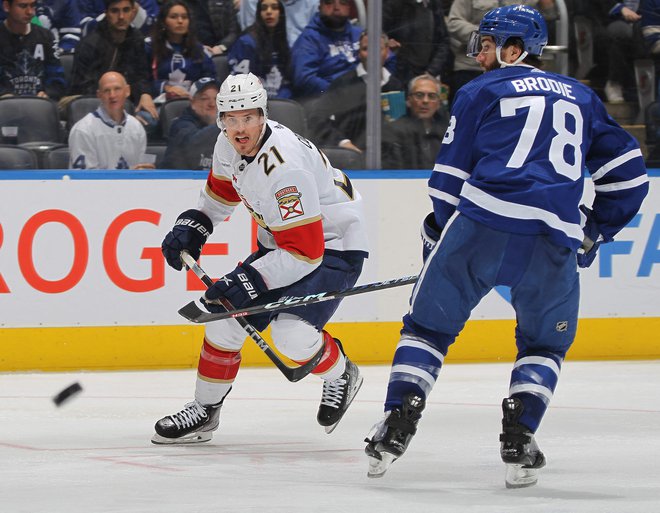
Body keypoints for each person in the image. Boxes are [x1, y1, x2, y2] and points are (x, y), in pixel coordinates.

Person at [364, 5, 648, 488]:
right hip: (553, 238)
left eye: (490, 43)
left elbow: (448, 183)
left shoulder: (480, 90)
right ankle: (519, 436)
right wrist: (594, 230)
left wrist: (439, 236)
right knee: (544, 344)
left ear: (515, 49)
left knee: (427, 330)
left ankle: (397, 422)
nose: (481, 53)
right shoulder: (582, 96)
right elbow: (630, 179)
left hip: (482, 224)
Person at [152, 73, 368, 444]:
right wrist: (198, 223)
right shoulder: (227, 143)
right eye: (230, 119)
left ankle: (340, 374)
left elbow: (306, 253)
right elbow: (222, 194)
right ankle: (205, 411)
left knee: (292, 334)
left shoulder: (286, 168)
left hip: (332, 246)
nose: (239, 128)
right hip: (286, 243)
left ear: (263, 115)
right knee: (224, 321)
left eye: (248, 117)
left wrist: (248, 280)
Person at [70, 0, 159, 133]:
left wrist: (145, 94)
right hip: (96, 104)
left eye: (126, 10)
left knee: (150, 119)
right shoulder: (89, 44)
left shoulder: (137, 40)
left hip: (128, 104)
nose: (121, 16)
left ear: (133, 12)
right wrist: (121, 108)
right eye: (115, 11)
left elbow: (142, 76)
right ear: (106, 13)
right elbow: (83, 87)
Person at [446, 0, 556, 105]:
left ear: (514, 51)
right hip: (469, 67)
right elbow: (453, 22)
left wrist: (492, 39)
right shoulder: (561, 87)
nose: (480, 57)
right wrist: (489, 35)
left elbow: (545, 21)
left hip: (517, 69)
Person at [310, 31, 403, 152]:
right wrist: (343, 142)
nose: (372, 54)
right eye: (366, 48)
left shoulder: (395, 85)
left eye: (378, 48)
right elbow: (317, 118)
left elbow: (401, 125)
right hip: (351, 157)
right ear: (359, 53)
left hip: (389, 159)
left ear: (387, 51)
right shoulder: (343, 83)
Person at [68, 71, 155, 169]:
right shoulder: (83, 130)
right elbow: (84, 179)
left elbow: (139, 170)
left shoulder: (136, 127)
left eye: (117, 89)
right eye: (106, 90)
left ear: (127, 91)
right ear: (99, 95)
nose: (112, 95)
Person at [146, 0, 216, 102]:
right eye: (174, 17)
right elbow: (143, 80)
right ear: (163, 22)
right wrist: (166, 88)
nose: (180, 21)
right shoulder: (150, 47)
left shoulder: (199, 49)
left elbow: (210, 77)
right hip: (159, 101)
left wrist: (196, 90)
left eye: (184, 17)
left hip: (193, 100)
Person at [290, 0, 361, 100]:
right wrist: (339, 92)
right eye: (329, 2)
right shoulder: (309, 39)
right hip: (329, 101)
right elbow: (304, 79)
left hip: (363, 95)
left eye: (343, 2)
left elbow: (388, 60)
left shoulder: (359, 34)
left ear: (349, 8)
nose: (336, 7)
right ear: (320, 7)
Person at [0, 0, 66, 99]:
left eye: (33, 6)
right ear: (6, 6)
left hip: (39, 104)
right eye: (23, 6)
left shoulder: (46, 37)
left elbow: (57, 78)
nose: (30, 12)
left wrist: (48, 93)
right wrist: (3, 94)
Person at [382, 73, 449, 169]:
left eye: (432, 96)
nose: (425, 101)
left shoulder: (448, 132)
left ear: (438, 103)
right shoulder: (393, 130)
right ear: (409, 100)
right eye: (419, 95)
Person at [227, 0, 292, 99]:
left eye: (274, 8)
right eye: (264, 8)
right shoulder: (246, 43)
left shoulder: (282, 41)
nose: (269, 12)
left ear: (281, 13)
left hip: (280, 102)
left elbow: (286, 83)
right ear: (258, 13)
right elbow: (240, 84)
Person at [382, 0, 453, 87]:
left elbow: (443, 40)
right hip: (397, 74)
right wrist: (387, 43)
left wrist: (431, 72)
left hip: (428, 74)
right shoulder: (392, 4)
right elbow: (378, 36)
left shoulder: (434, 4)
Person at [161, 77, 220, 169]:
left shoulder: (228, 130)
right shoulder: (180, 125)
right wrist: (225, 123)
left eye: (217, 99)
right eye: (204, 98)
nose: (212, 104)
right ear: (192, 102)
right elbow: (193, 144)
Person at [239, 0, 317, 47]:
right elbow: (251, 35)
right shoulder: (253, 2)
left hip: (301, 55)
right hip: (263, 52)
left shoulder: (314, 4)